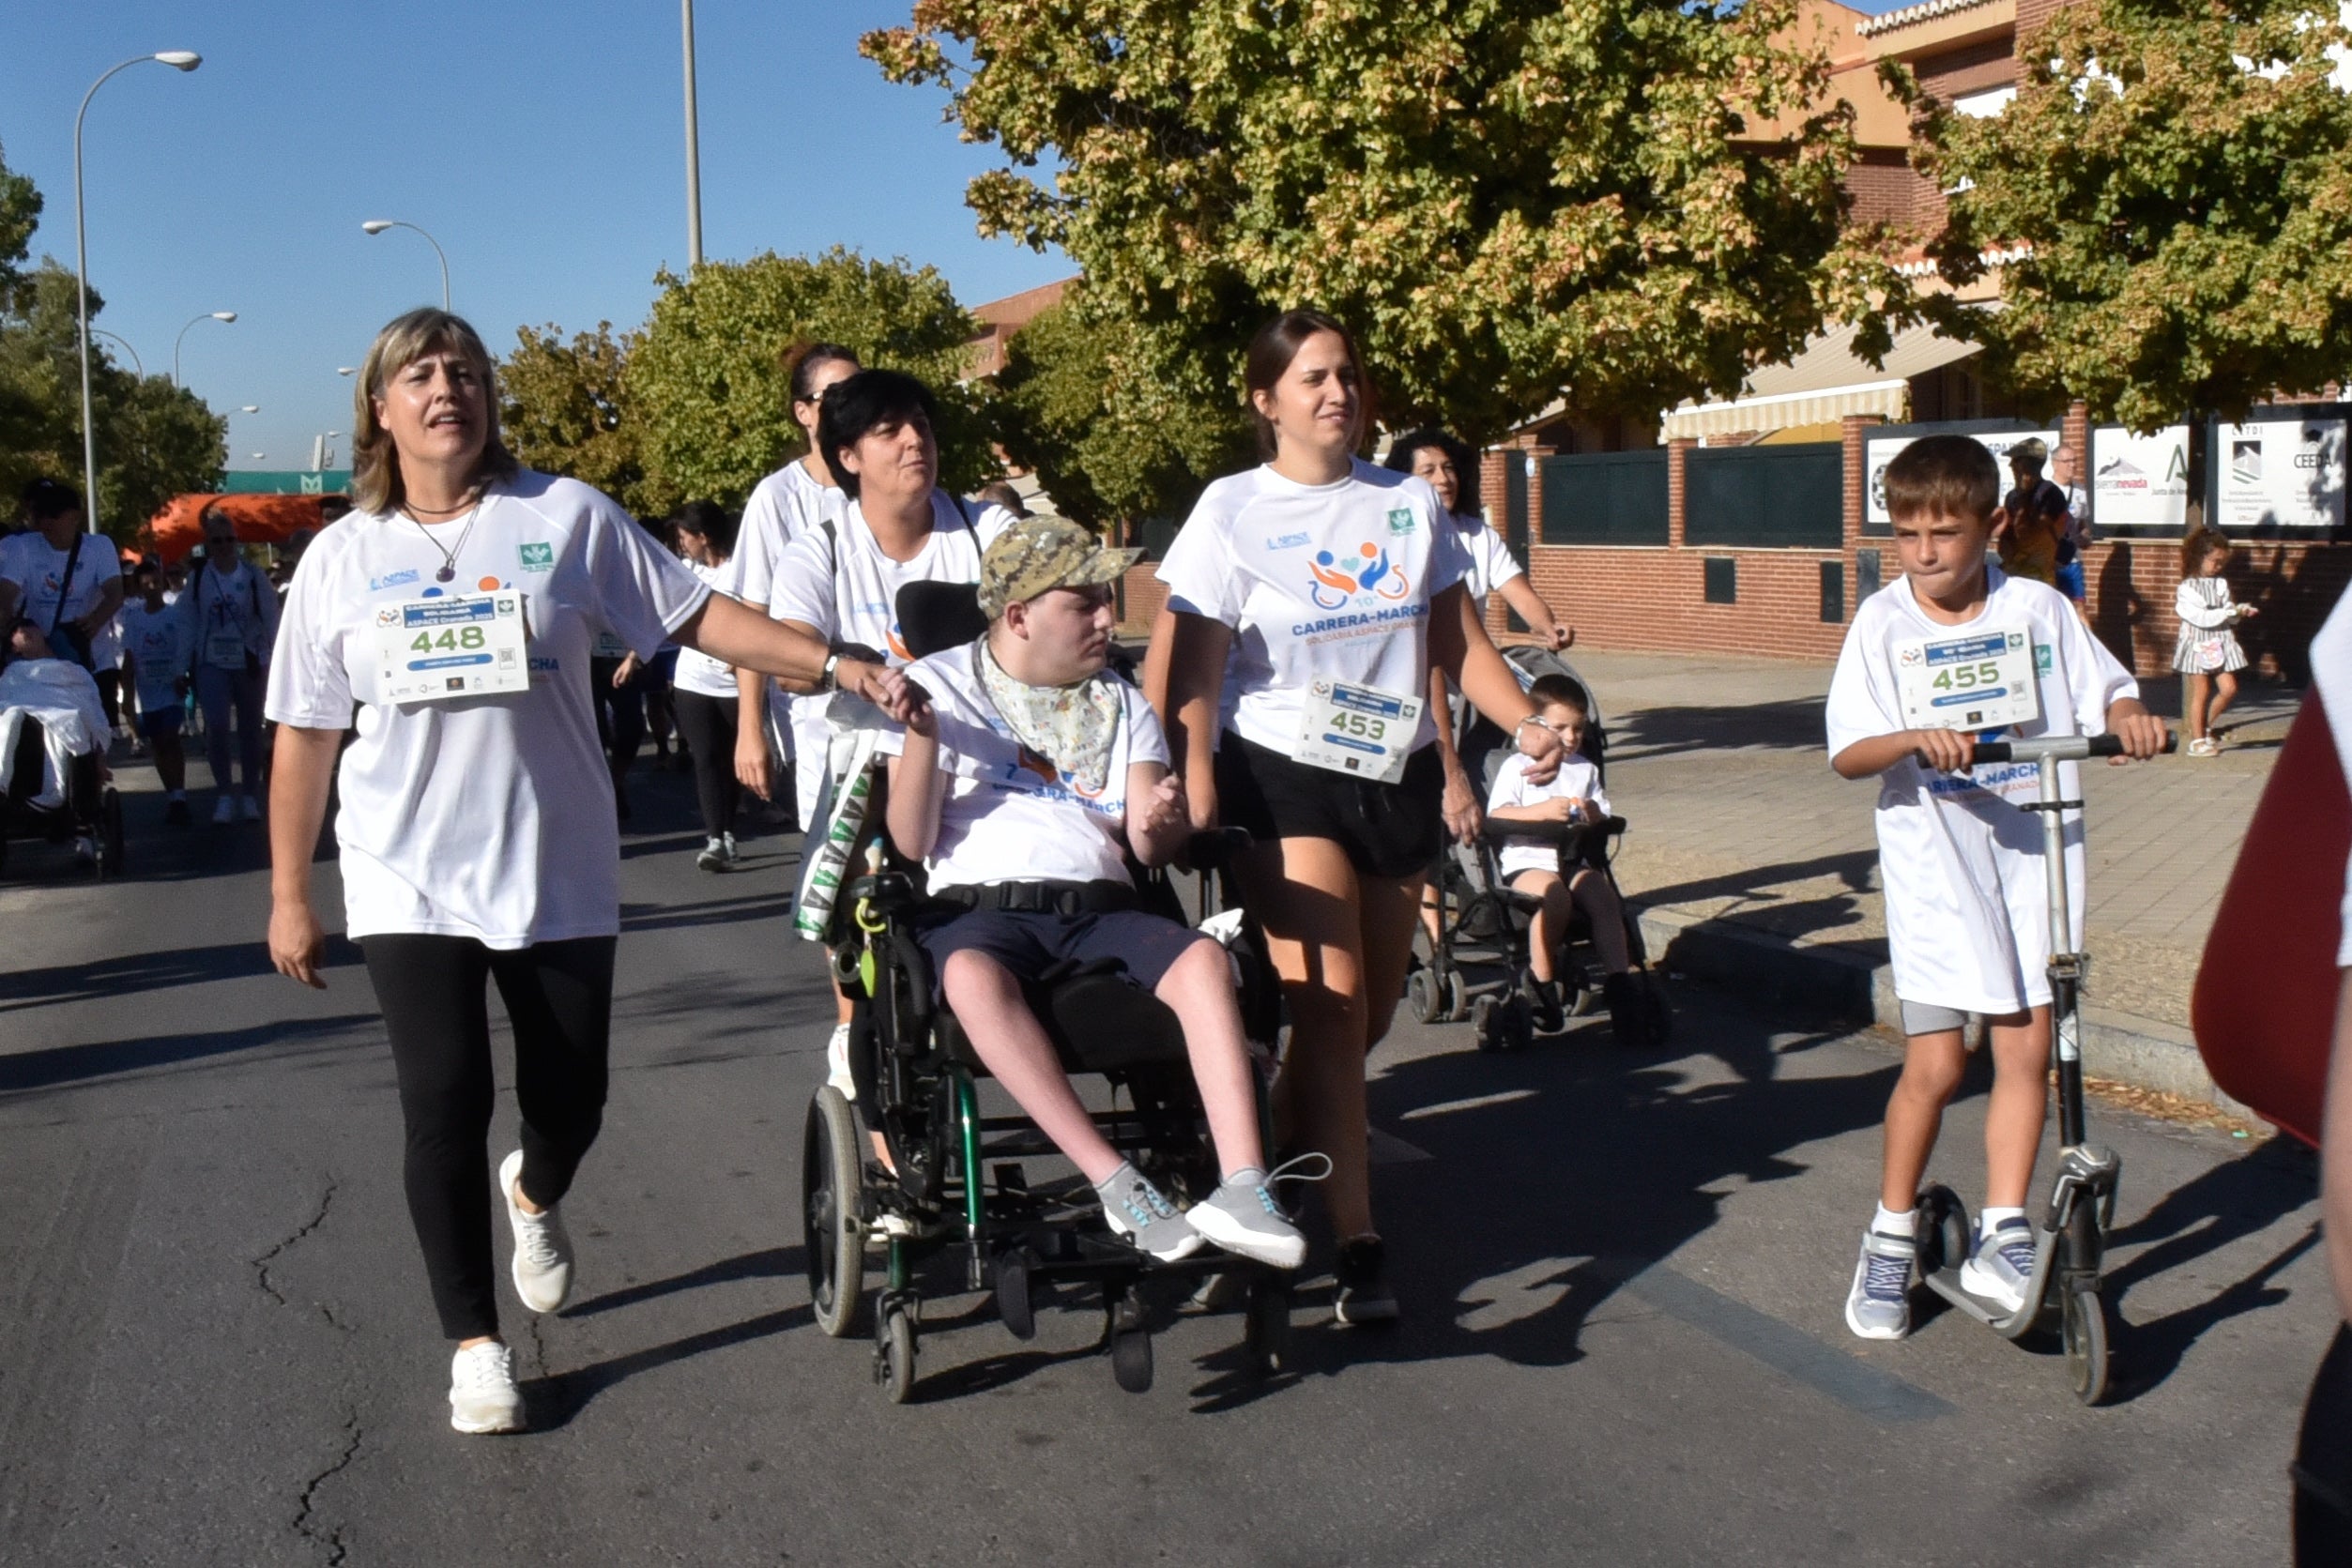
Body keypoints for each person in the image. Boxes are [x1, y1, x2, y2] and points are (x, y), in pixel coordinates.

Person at [263, 308, 916, 1436]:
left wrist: (832, 664)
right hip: (402, 872)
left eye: (463, 371)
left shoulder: (563, 516)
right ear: (380, 408)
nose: (444, 390)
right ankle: (475, 1344)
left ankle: (536, 1188)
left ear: (488, 396)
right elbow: (306, 734)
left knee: (571, 1101)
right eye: (418, 375)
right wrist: (288, 891)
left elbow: (699, 615)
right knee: (443, 1104)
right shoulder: (340, 558)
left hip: (554, 861)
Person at [1156, 310, 1565, 1323]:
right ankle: (1357, 1245)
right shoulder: (1229, 511)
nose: (1337, 393)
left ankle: (1262, 1169)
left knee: (1370, 1014)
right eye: (1312, 380)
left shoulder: (1405, 504)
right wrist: (1194, 778)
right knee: (1330, 1008)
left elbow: (1456, 641)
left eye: (1346, 375)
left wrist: (1522, 726)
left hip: (1396, 771)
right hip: (1280, 771)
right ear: (1267, 402)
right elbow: (1193, 669)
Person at [888, 515, 1309, 1267]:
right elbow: (912, 841)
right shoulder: (941, 685)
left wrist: (1161, 821)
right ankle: (1118, 1183)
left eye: (1104, 600)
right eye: (1083, 602)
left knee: (1206, 962)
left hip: (1100, 907)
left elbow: (1149, 847)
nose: (1107, 617)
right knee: (967, 977)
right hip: (981, 911)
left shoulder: (1118, 700)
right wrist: (922, 738)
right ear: (1018, 614)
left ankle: (1243, 1185)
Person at [1825, 434, 2166, 1342]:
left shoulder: (2039, 611)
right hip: (1937, 876)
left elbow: (2108, 693)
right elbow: (1847, 752)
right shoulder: (1883, 625)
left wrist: (2130, 716)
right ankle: (1891, 1234)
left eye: (1944, 531)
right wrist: (1909, 739)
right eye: (1906, 533)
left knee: (2026, 1054)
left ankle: (2004, 1229)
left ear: (1994, 524)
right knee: (1936, 1065)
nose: (1925, 552)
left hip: (2034, 861)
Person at [766, 367, 1017, 1093]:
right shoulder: (821, 549)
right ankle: (862, 1057)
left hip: (981, 765)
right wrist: (847, 669)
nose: (915, 442)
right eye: (889, 431)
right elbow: (788, 658)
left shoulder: (984, 529)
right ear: (848, 456)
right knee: (872, 938)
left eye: (923, 426)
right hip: (865, 774)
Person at [1382, 427, 1576, 944]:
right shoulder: (1396, 534)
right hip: (1420, 686)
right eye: (1427, 471)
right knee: (1425, 801)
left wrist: (1546, 625)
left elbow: (1519, 591)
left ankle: (1508, 878)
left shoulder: (1476, 535)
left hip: (1473, 684)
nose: (1442, 479)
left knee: (1492, 776)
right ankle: (1432, 934)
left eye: (1448, 469)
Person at [733, 342, 863, 828]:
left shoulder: (882, 483)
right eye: (835, 395)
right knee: (834, 862)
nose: (849, 406)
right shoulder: (778, 498)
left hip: (896, 706)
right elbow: (751, 622)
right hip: (815, 717)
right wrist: (750, 729)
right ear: (803, 412)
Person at [1484, 674, 1647, 1041]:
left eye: (1578, 728)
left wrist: (1592, 813)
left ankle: (1619, 982)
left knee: (1604, 899)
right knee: (1552, 896)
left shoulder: (1585, 770)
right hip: (1529, 859)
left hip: (1573, 858)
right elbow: (1497, 816)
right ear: (1538, 727)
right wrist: (1540, 812)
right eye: (1561, 728)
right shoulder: (1516, 766)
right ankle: (1542, 980)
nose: (1571, 738)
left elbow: (1604, 815)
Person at [183, 504, 281, 823]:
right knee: (218, 726)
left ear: (236, 542)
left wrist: (279, 661)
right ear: (208, 545)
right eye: (217, 541)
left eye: (229, 540)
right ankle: (225, 792)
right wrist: (179, 667)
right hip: (211, 661)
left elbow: (271, 619)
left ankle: (250, 793)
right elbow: (186, 623)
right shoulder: (198, 579)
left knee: (251, 729)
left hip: (249, 659)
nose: (224, 547)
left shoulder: (252, 576)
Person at [0, 479, 125, 722]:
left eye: (54, 514)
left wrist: (95, 621)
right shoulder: (23, 547)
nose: (47, 522)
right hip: (40, 658)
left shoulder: (99, 546)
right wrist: (13, 628)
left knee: (95, 733)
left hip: (90, 658)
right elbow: (5, 595)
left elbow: (115, 593)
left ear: (75, 516)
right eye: (41, 514)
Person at [667, 501, 746, 870]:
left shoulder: (740, 573)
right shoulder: (685, 572)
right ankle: (717, 837)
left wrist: (743, 655)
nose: (682, 544)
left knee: (732, 760)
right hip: (692, 681)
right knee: (705, 759)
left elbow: (761, 617)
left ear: (704, 536)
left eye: (685, 537)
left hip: (733, 685)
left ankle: (729, 830)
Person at [117, 559, 193, 823]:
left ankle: (180, 795)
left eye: (155, 582)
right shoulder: (135, 620)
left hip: (170, 689)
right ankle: (171, 794)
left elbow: (184, 650)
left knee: (170, 738)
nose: (152, 587)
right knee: (158, 744)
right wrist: (127, 695)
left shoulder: (174, 615)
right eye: (146, 584)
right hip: (146, 693)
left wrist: (183, 676)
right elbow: (128, 660)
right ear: (139, 588)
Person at [2174, 527, 2255, 757]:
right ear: (2199, 557)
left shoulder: (2220, 584)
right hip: (2197, 643)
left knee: (2229, 688)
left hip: (2219, 642)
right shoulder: (2187, 589)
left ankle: (2204, 725)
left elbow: (2228, 613)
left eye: (2222, 562)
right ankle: (2197, 740)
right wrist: (2226, 613)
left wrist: (2239, 612)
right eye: (2214, 561)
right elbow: (2201, 617)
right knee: (2201, 690)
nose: (2218, 567)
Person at [1993, 439, 2068, 588]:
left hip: (2039, 580)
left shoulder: (2050, 493)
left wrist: (2025, 496)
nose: (2011, 465)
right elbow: (2004, 546)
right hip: (2013, 578)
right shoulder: (2012, 496)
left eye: (2016, 460)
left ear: (2029, 464)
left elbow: (2027, 533)